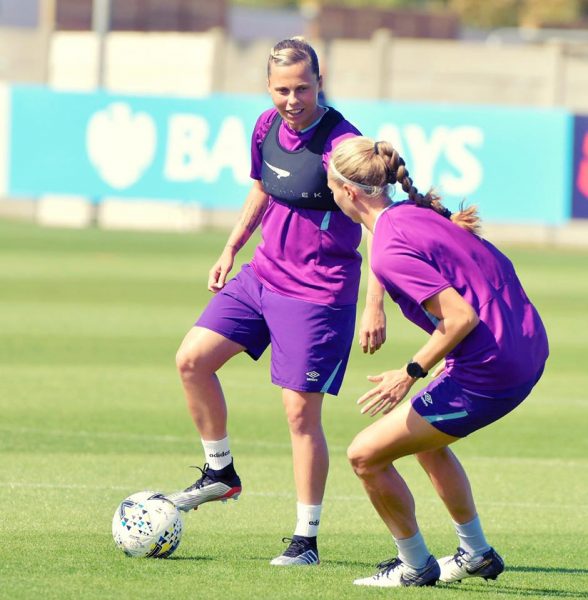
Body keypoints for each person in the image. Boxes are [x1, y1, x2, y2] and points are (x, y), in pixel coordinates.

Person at [166, 38, 386, 566]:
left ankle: (306, 540)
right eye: (282, 89)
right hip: (261, 276)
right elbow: (261, 189)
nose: (292, 100)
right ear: (268, 87)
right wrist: (230, 247)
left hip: (318, 293)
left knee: (299, 414)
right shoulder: (266, 126)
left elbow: (381, 226)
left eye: (302, 88)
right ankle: (220, 472)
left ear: (319, 82)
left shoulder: (343, 144)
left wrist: (374, 306)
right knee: (191, 360)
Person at [326, 136, 549, 587]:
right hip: (523, 341)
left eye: (332, 187)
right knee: (427, 442)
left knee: (364, 456)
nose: (331, 195)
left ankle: (415, 565)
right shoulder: (412, 212)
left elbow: (460, 317)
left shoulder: (389, 247)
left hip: (491, 368)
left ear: (349, 192)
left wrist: (409, 372)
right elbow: (391, 250)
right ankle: (476, 553)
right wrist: (375, 304)